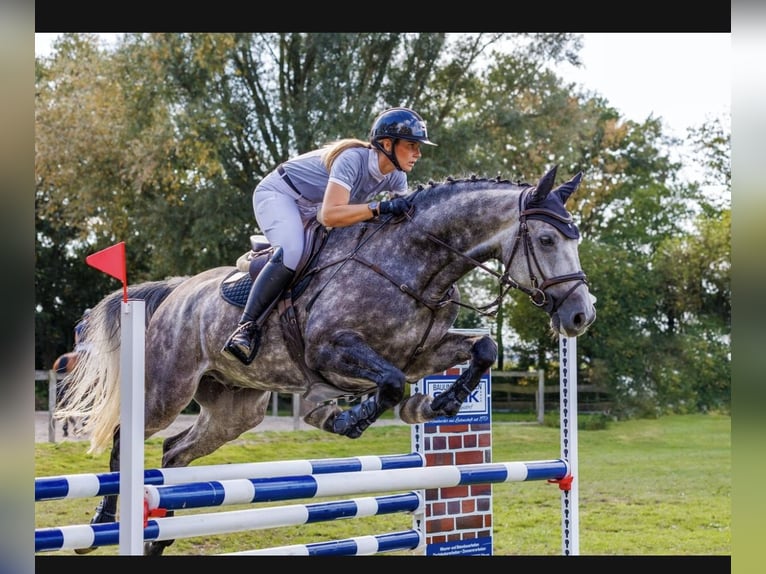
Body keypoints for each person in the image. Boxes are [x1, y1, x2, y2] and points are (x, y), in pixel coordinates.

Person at [222, 106, 437, 365]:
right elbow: (330, 216)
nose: (418, 153)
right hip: (280, 195)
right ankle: (246, 328)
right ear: (387, 144)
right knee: (292, 252)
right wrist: (379, 207)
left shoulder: (396, 176)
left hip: (315, 206)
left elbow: (401, 223)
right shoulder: (353, 160)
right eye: (412, 145)